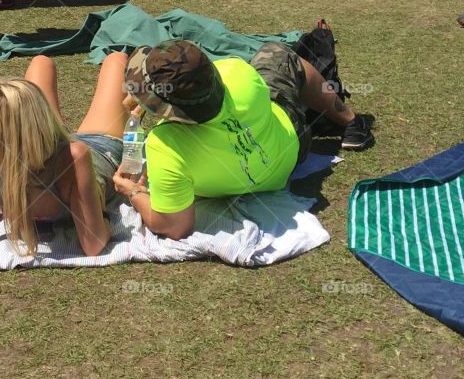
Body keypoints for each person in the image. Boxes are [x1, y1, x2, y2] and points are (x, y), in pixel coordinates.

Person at [111, 38, 374, 239]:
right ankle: (351, 122)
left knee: (279, 56)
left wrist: (131, 191)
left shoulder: (165, 145)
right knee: (278, 53)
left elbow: (175, 226)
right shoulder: (238, 73)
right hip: (291, 148)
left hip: (274, 166)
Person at [0, 55, 128, 255]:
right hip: (82, 144)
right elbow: (93, 244)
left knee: (42, 61)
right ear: (42, 114)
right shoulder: (73, 157)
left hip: (72, 148)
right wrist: (103, 216)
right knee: (116, 60)